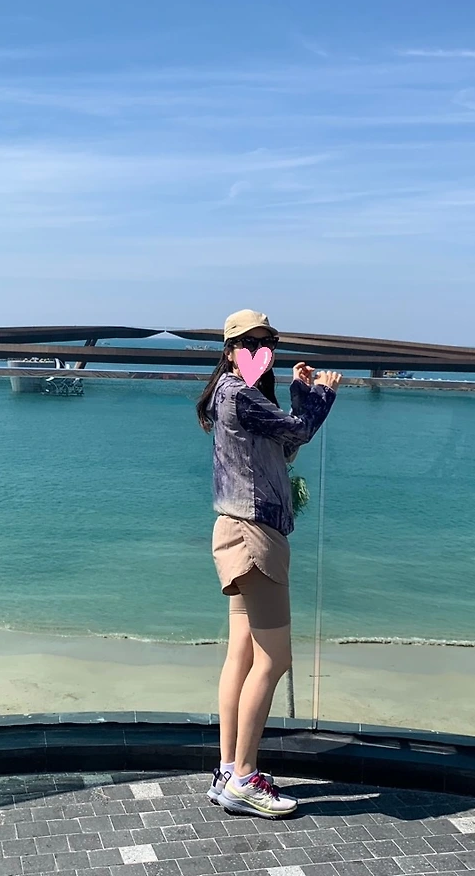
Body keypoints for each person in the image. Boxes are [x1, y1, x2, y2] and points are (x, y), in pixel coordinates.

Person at [194, 309, 341, 818]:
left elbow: (285, 444)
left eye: (266, 343)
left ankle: (228, 771)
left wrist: (298, 393)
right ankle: (243, 777)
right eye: (249, 343)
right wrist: (322, 393)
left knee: (241, 654)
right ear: (230, 350)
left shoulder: (232, 394)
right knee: (274, 659)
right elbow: (301, 431)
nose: (260, 351)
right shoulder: (240, 395)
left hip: (235, 529)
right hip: (255, 534)